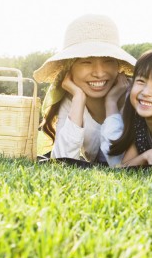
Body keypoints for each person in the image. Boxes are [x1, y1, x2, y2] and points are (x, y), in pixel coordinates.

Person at [34, 14, 135, 166]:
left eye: (108, 61)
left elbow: (122, 163)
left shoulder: (135, 96)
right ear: (70, 68)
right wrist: (79, 98)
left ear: (118, 65)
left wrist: (111, 102)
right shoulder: (71, 100)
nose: (99, 73)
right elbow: (62, 160)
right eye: (86, 62)